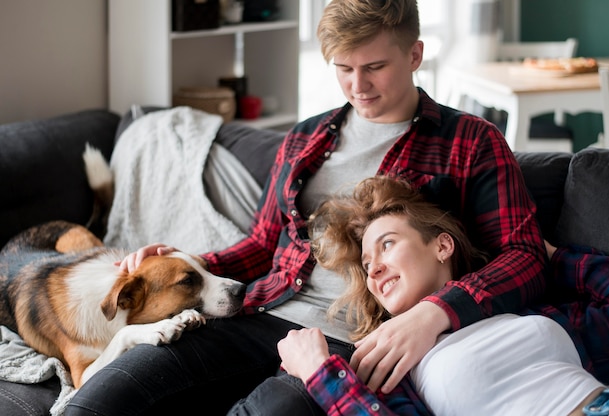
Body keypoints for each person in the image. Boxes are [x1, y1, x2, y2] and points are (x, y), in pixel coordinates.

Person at [63, 0, 548, 414]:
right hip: (261, 315)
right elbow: (260, 246)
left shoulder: (470, 142)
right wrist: (187, 265)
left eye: (375, 66)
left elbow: (526, 256)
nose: (358, 85)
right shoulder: (304, 137)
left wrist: (436, 313)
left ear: (415, 54)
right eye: (343, 68)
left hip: (355, 346)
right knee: (102, 400)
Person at [275, 175, 609, 416]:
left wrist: (552, 256)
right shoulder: (393, 371)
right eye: (367, 266)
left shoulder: (527, 312)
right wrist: (317, 372)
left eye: (387, 245)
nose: (375, 270)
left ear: (442, 245)